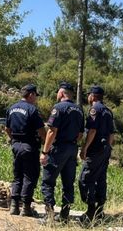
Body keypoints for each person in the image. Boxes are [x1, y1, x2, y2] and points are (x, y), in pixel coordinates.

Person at [39, 82, 84, 223]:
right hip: (72, 149)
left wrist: (45, 152)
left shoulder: (58, 108)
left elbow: (52, 131)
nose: (56, 94)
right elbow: (81, 134)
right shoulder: (79, 110)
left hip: (58, 149)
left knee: (48, 181)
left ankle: (50, 216)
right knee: (68, 183)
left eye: (58, 92)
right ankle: (65, 215)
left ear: (62, 93)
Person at [5, 84, 46, 217]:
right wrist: (46, 142)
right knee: (29, 176)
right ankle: (26, 208)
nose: (36, 99)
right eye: (35, 96)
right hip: (30, 146)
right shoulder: (32, 110)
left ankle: (14, 206)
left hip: (16, 145)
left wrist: (14, 140)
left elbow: (7, 129)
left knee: (17, 176)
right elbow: (41, 131)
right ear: (31, 94)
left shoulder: (11, 108)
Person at [79, 85, 115, 224]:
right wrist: (108, 149)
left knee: (85, 179)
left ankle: (90, 211)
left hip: (95, 149)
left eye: (89, 95)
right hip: (105, 149)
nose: (88, 97)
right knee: (100, 178)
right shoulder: (108, 111)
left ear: (92, 96)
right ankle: (100, 211)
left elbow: (92, 131)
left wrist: (84, 149)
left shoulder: (94, 110)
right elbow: (112, 134)